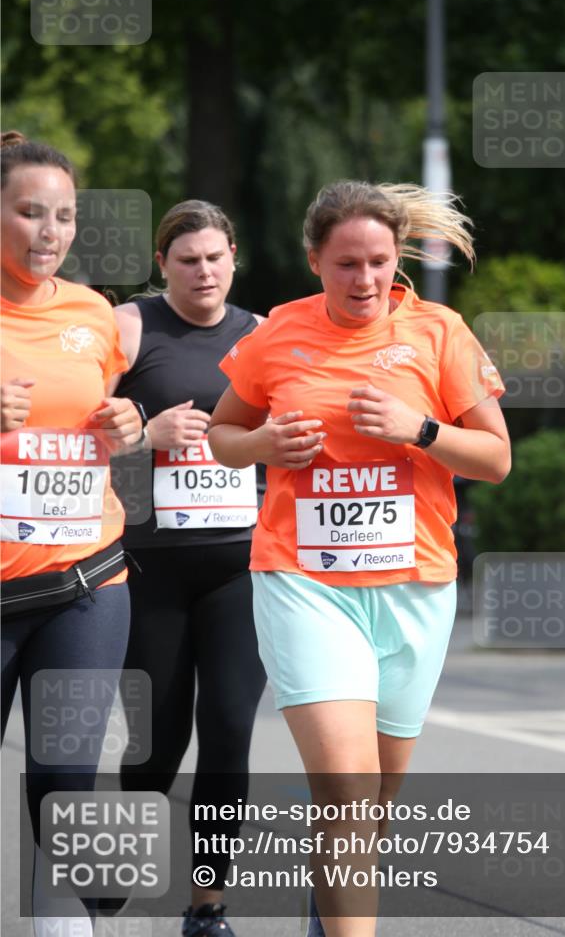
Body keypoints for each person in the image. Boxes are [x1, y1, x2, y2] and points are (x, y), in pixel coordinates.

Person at [207, 180, 511, 937]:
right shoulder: (279, 332)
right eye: (346, 263)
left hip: (414, 587)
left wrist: (420, 429)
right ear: (315, 260)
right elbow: (221, 436)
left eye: (378, 261)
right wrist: (262, 443)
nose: (365, 279)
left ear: (396, 257)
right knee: (346, 789)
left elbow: (496, 458)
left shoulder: (438, 331)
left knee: (373, 804)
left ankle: (328, 916)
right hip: (304, 581)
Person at [111, 200, 267, 937]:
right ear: (162, 264)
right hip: (150, 568)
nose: (203, 272)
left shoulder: (264, 334)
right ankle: (116, 861)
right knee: (157, 743)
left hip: (242, 565)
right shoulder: (130, 328)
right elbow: (73, 429)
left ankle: (207, 906)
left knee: (229, 728)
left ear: (233, 256)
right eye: (187, 260)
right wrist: (148, 432)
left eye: (214, 257)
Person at [0, 131, 143, 935]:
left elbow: (104, 417)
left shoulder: (93, 313)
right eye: (30, 213)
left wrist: (128, 425)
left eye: (63, 216)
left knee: (64, 785)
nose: (48, 232)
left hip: (84, 584)